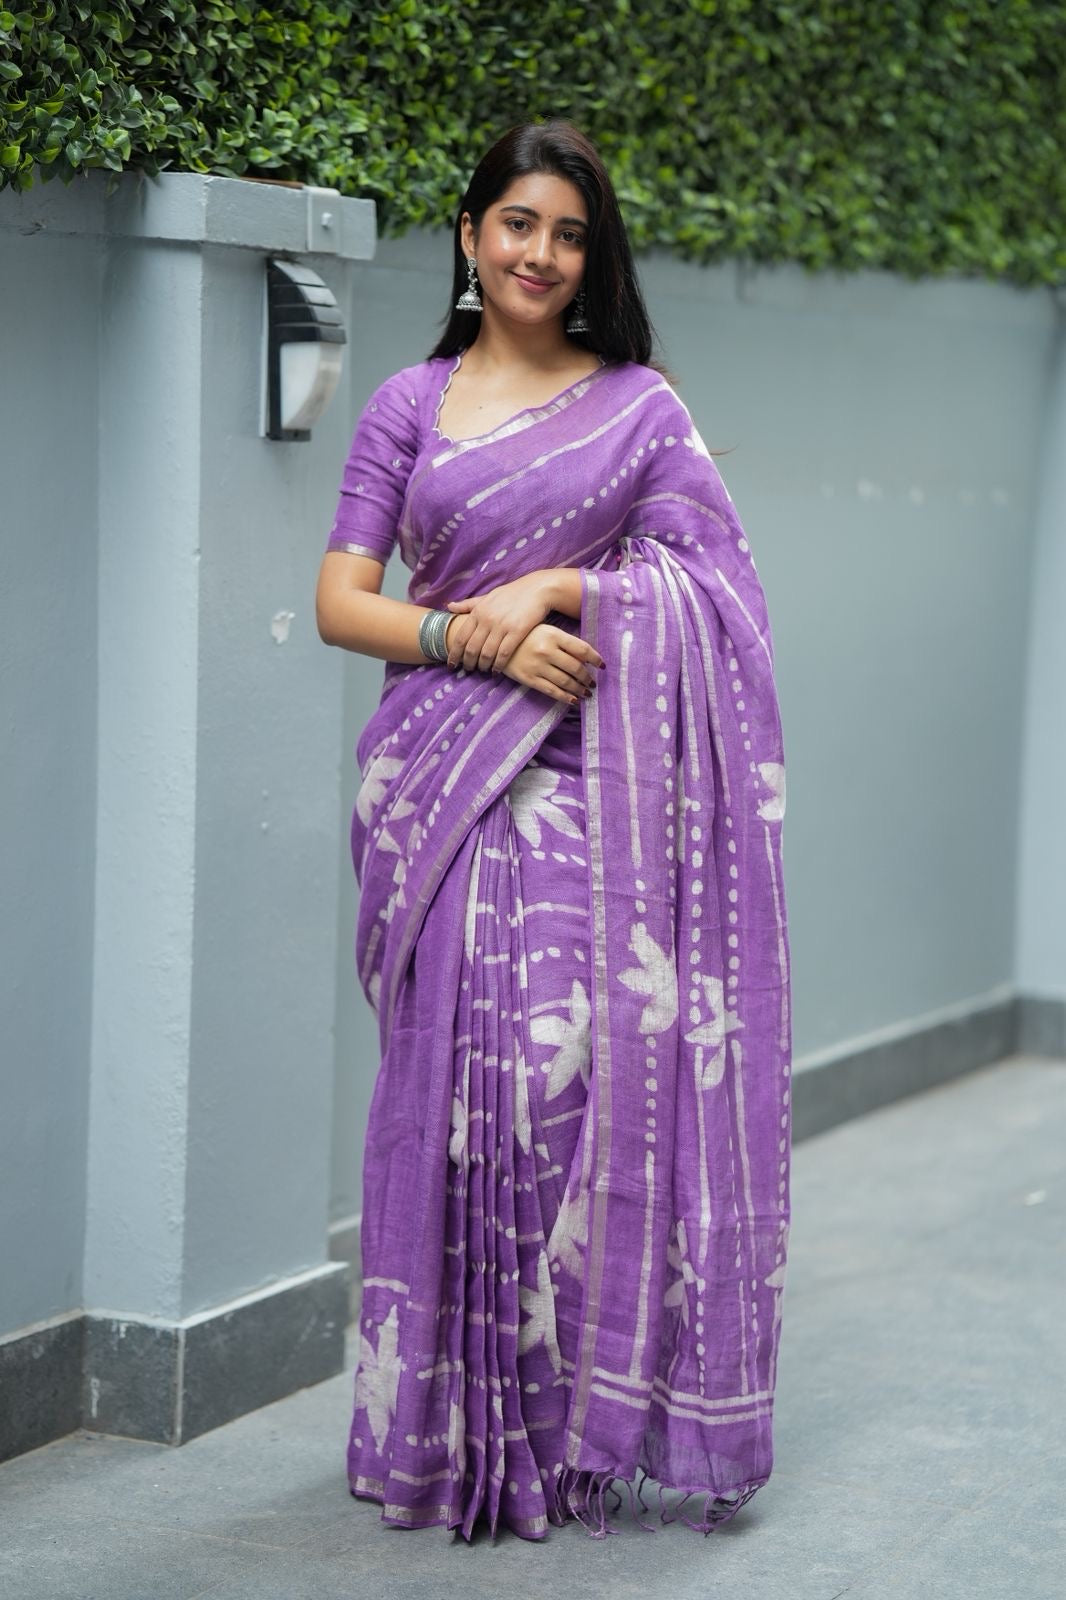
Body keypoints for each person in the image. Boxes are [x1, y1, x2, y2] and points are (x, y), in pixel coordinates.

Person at [315, 118, 791, 1544]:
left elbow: (722, 598)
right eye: (516, 223)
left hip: (599, 798)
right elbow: (346, 602)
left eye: (569, 232)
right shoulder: (407, 401)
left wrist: (570, 597)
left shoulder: (641, 405)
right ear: (468, 238)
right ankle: (453, 1427)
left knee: (564, 1097)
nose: (540, 253)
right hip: (440, 793)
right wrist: (475, 634)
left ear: (593, 256)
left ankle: (571, 1420)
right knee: (445, 1111)